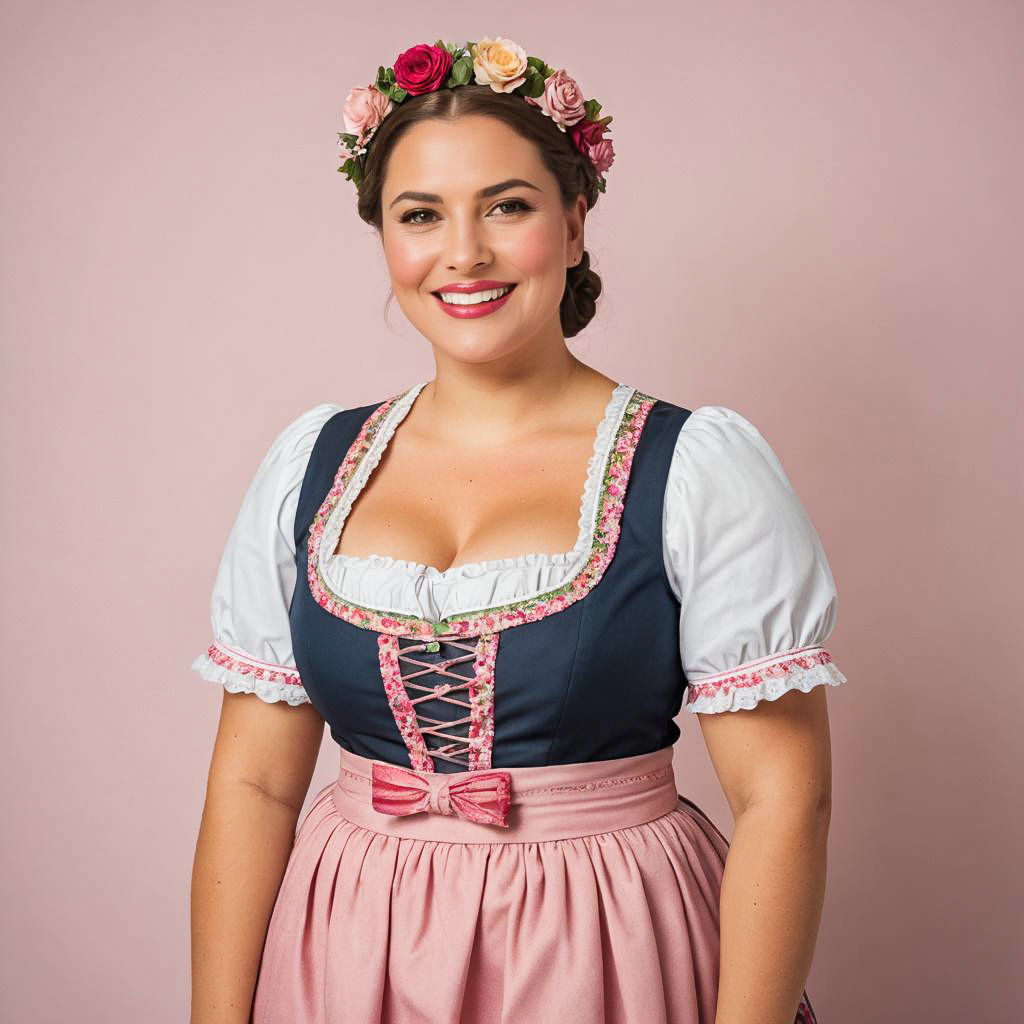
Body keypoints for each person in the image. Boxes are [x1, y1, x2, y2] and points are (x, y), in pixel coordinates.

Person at [189, 36, 846, 1024]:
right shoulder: (311, 463)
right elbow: (253, 783)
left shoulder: (694, 466)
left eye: (507, 205)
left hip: (605, 941)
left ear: (574, 222)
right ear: (384, 238)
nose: (464, 252)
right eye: (421, 215)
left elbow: (784, 801)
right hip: (348, 946)